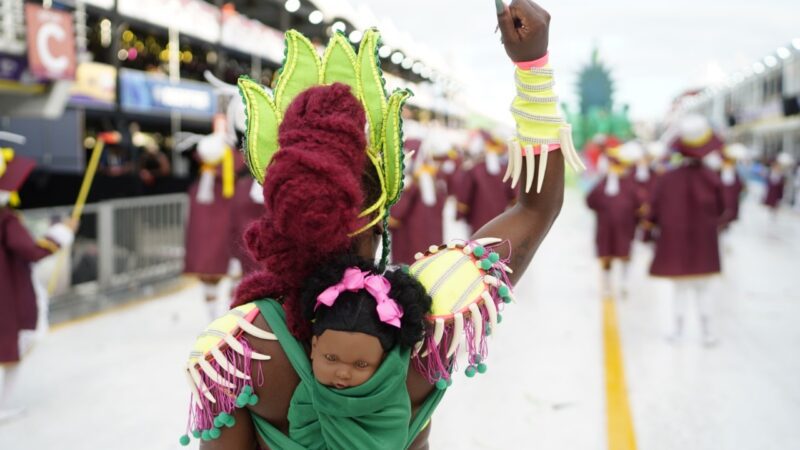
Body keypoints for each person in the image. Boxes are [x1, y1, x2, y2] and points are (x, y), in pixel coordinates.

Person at [179, 1, 583, 447]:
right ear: (379, 225)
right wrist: (532, 66)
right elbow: (535, 208)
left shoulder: (238, 350)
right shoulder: (430, 321)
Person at [0, 145, 75, 421]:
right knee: (10, 349)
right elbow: (30, 250)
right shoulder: (5, 219)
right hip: (7, 294)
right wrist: (61, 234)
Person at [647, 114, 731, 346]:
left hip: (675, 244)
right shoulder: (712, 178)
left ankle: (677, 331)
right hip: (704, 245)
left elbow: (652, 211)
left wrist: (650, 229)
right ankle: (707, 333)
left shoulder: (667, 179)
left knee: (680, 291)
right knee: (704, 291)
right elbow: (724, 208)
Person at [586, 141, 645, 298]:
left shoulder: (630, 184)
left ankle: (624, 282)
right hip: (605, 227)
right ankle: (606, 283)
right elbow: (590, 201)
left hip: (625, 227)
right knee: (606, 256)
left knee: (625, 253)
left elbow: (639, 204)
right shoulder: (602, 184)